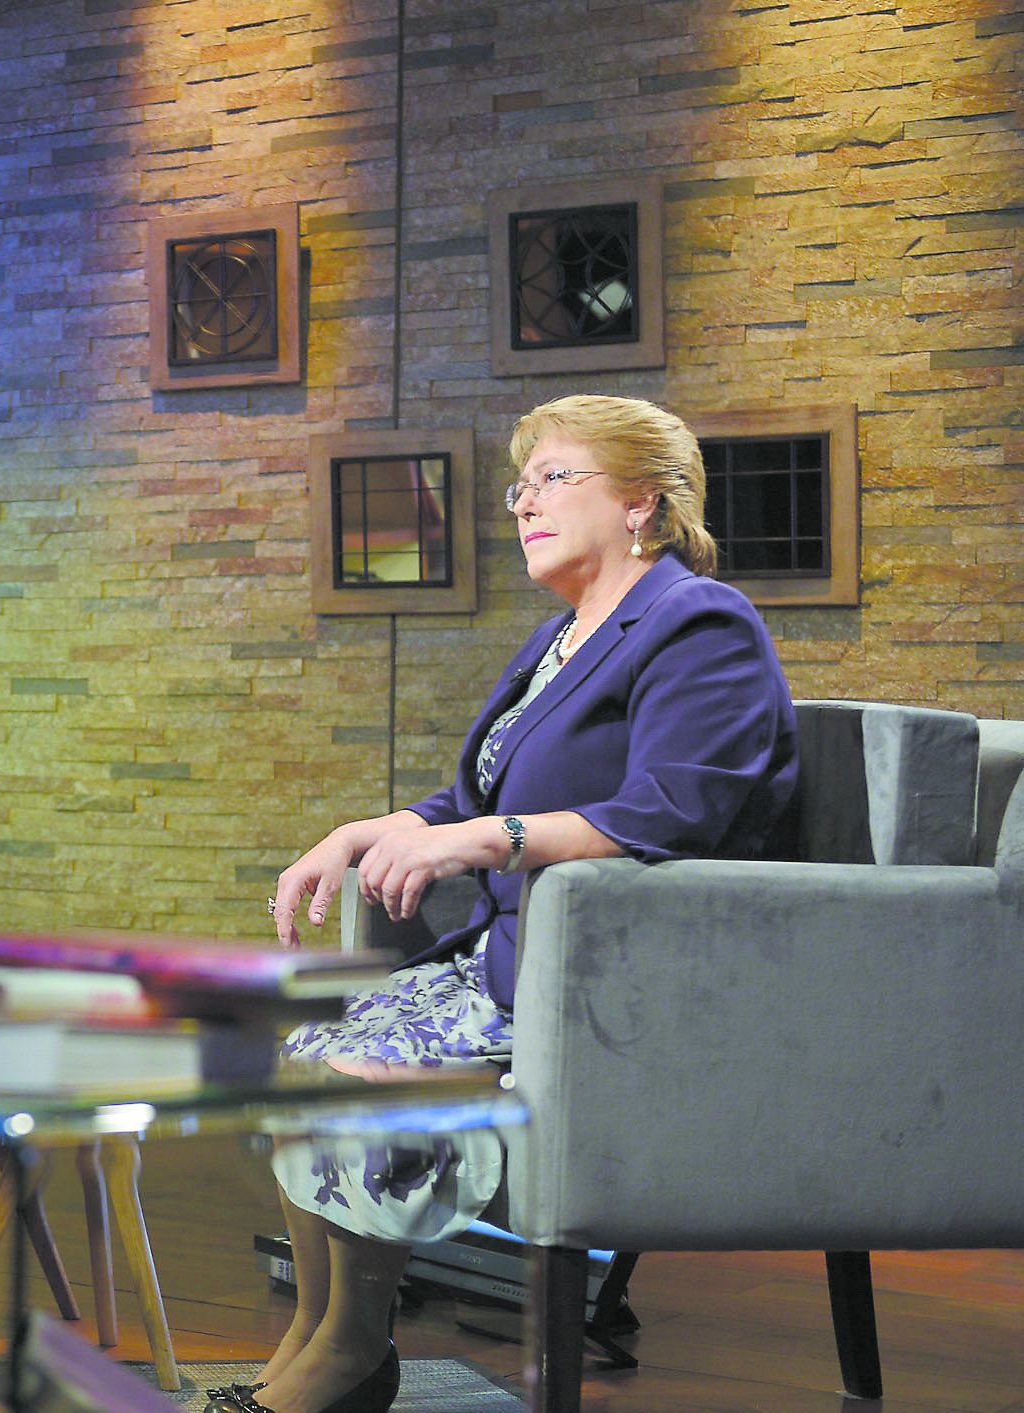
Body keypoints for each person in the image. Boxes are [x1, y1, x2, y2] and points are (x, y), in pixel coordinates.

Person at [217, 395, 798, 1413]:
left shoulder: (698, 621)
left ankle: (340, 1360)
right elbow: (484, 797)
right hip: (508, 957)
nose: (523, 504)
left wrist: (482, 841)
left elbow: (673, 809)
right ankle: (321, 1341)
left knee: (352, 1073)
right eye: (518, 487)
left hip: (607, 982)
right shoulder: (560, 639)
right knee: (296, 1056)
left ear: (640, 504)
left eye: (552, 480)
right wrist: (371, 829)